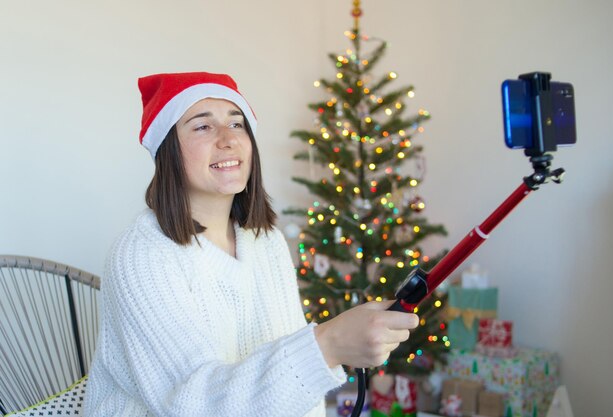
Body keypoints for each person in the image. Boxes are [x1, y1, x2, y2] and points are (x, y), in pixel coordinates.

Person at [83, 72, 419, 417]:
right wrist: (327, 345)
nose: (228, 139)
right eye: (202, 126)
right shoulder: (143, 255)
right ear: (167, 150)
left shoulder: (265, 241)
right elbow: (191, 406)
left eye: (237, 124)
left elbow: (298, 397)